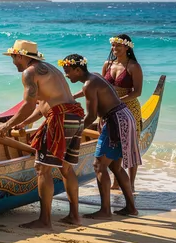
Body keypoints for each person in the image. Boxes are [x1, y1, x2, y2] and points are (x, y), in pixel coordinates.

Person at [0, 40, 85, 229]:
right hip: (75, 116)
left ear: (20, 55)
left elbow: (29, 104)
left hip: (59, 119)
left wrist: (7, 125)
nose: (13, 62)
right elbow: (44, 104)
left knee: (42, 169)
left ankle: (44, 220)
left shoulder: (30, 72)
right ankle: (74, 216)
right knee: (66, 169)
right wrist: (22, 123)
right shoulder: (50, 69)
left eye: (13, 58)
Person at [59, 54, 140, 218]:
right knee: (115, 166)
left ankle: (105, 210)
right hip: (124, 116)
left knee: (99, 165)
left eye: (68, 72)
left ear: (77, 69)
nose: (66, 76)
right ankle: (131, 208)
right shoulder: (94, 76)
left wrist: (76, 132)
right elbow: (90, 92)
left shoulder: (89, 84)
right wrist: (71, 98)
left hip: (115, 121)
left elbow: (91, 116)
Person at [103, 34, 143, 191]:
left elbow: (137, 92)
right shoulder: (108, 64)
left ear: (127, 47)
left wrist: (118, 102)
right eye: (113, 46)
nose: (114, 48)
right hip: (109, 109)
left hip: (129, 108)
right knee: (114, 143)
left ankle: (131, 184)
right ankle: (116, 182)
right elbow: (102, 87)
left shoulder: (134, 66)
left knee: (131, 145)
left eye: (118, 45)